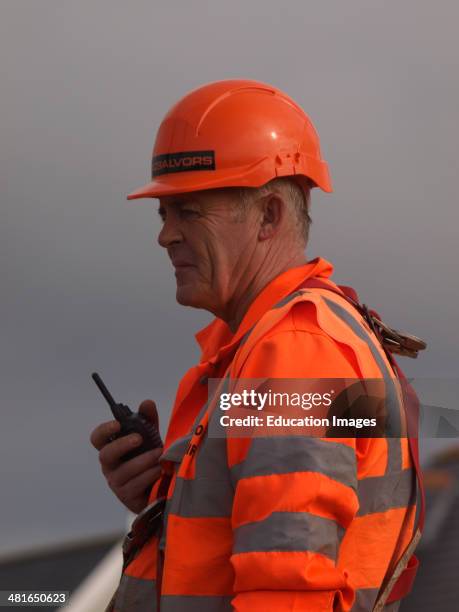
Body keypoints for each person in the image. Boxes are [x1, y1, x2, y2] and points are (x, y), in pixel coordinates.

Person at [90, 80, 420, 611]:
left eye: (189, 212)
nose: (166, 235)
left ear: (270, 215)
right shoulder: (277, 343)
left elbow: (287, 591)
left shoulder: (294, 351)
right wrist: (167, 501)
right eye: (164, 214)